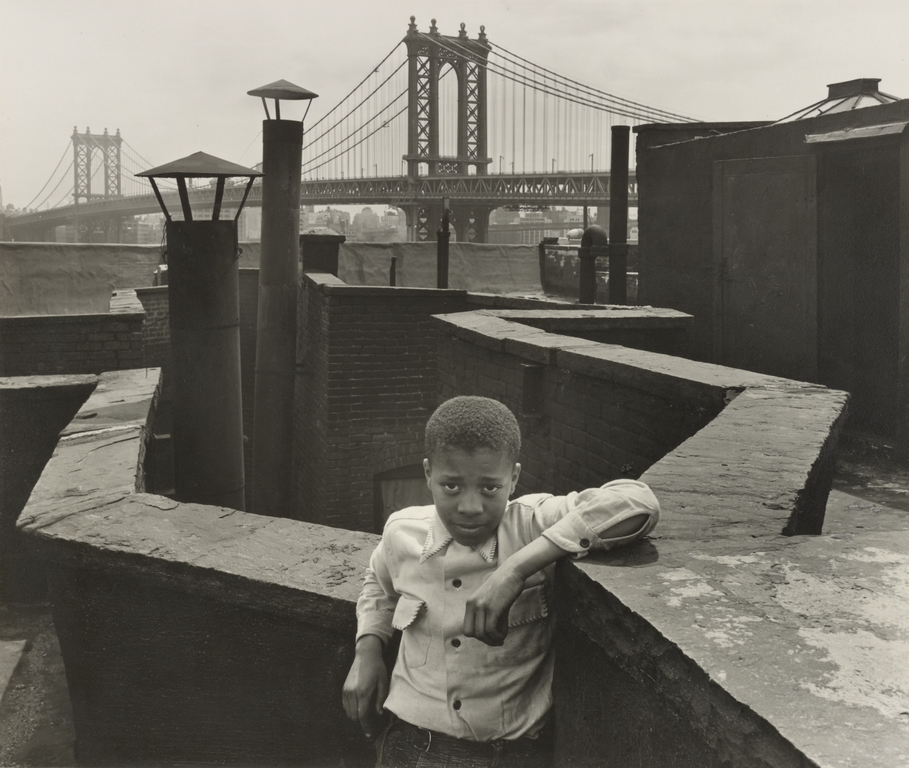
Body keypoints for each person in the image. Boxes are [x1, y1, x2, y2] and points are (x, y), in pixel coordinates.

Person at [343, 396, 660, 767]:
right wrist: (367, 650)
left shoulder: (531, 525)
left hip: (511, 755)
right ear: (428, 473)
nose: (470, 507)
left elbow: (638, 502)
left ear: (514, 478)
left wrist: (516, 569)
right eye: (451, 486)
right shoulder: (402, 532)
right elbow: (377, 585)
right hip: (410, 746)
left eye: (490, 488)